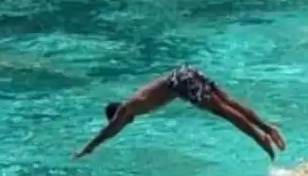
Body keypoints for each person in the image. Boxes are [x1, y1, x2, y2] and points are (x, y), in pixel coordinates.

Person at [73, 65, 287, 160]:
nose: (124, 124)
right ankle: (268, 128)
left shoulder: (127, 108)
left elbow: (109, 131)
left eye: (122, 122)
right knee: (228, 102)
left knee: (224, 111)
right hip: (183, 73)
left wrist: (87, 148)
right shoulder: (134, 100)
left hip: (181, 83)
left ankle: (262, 138)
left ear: (117, 114)